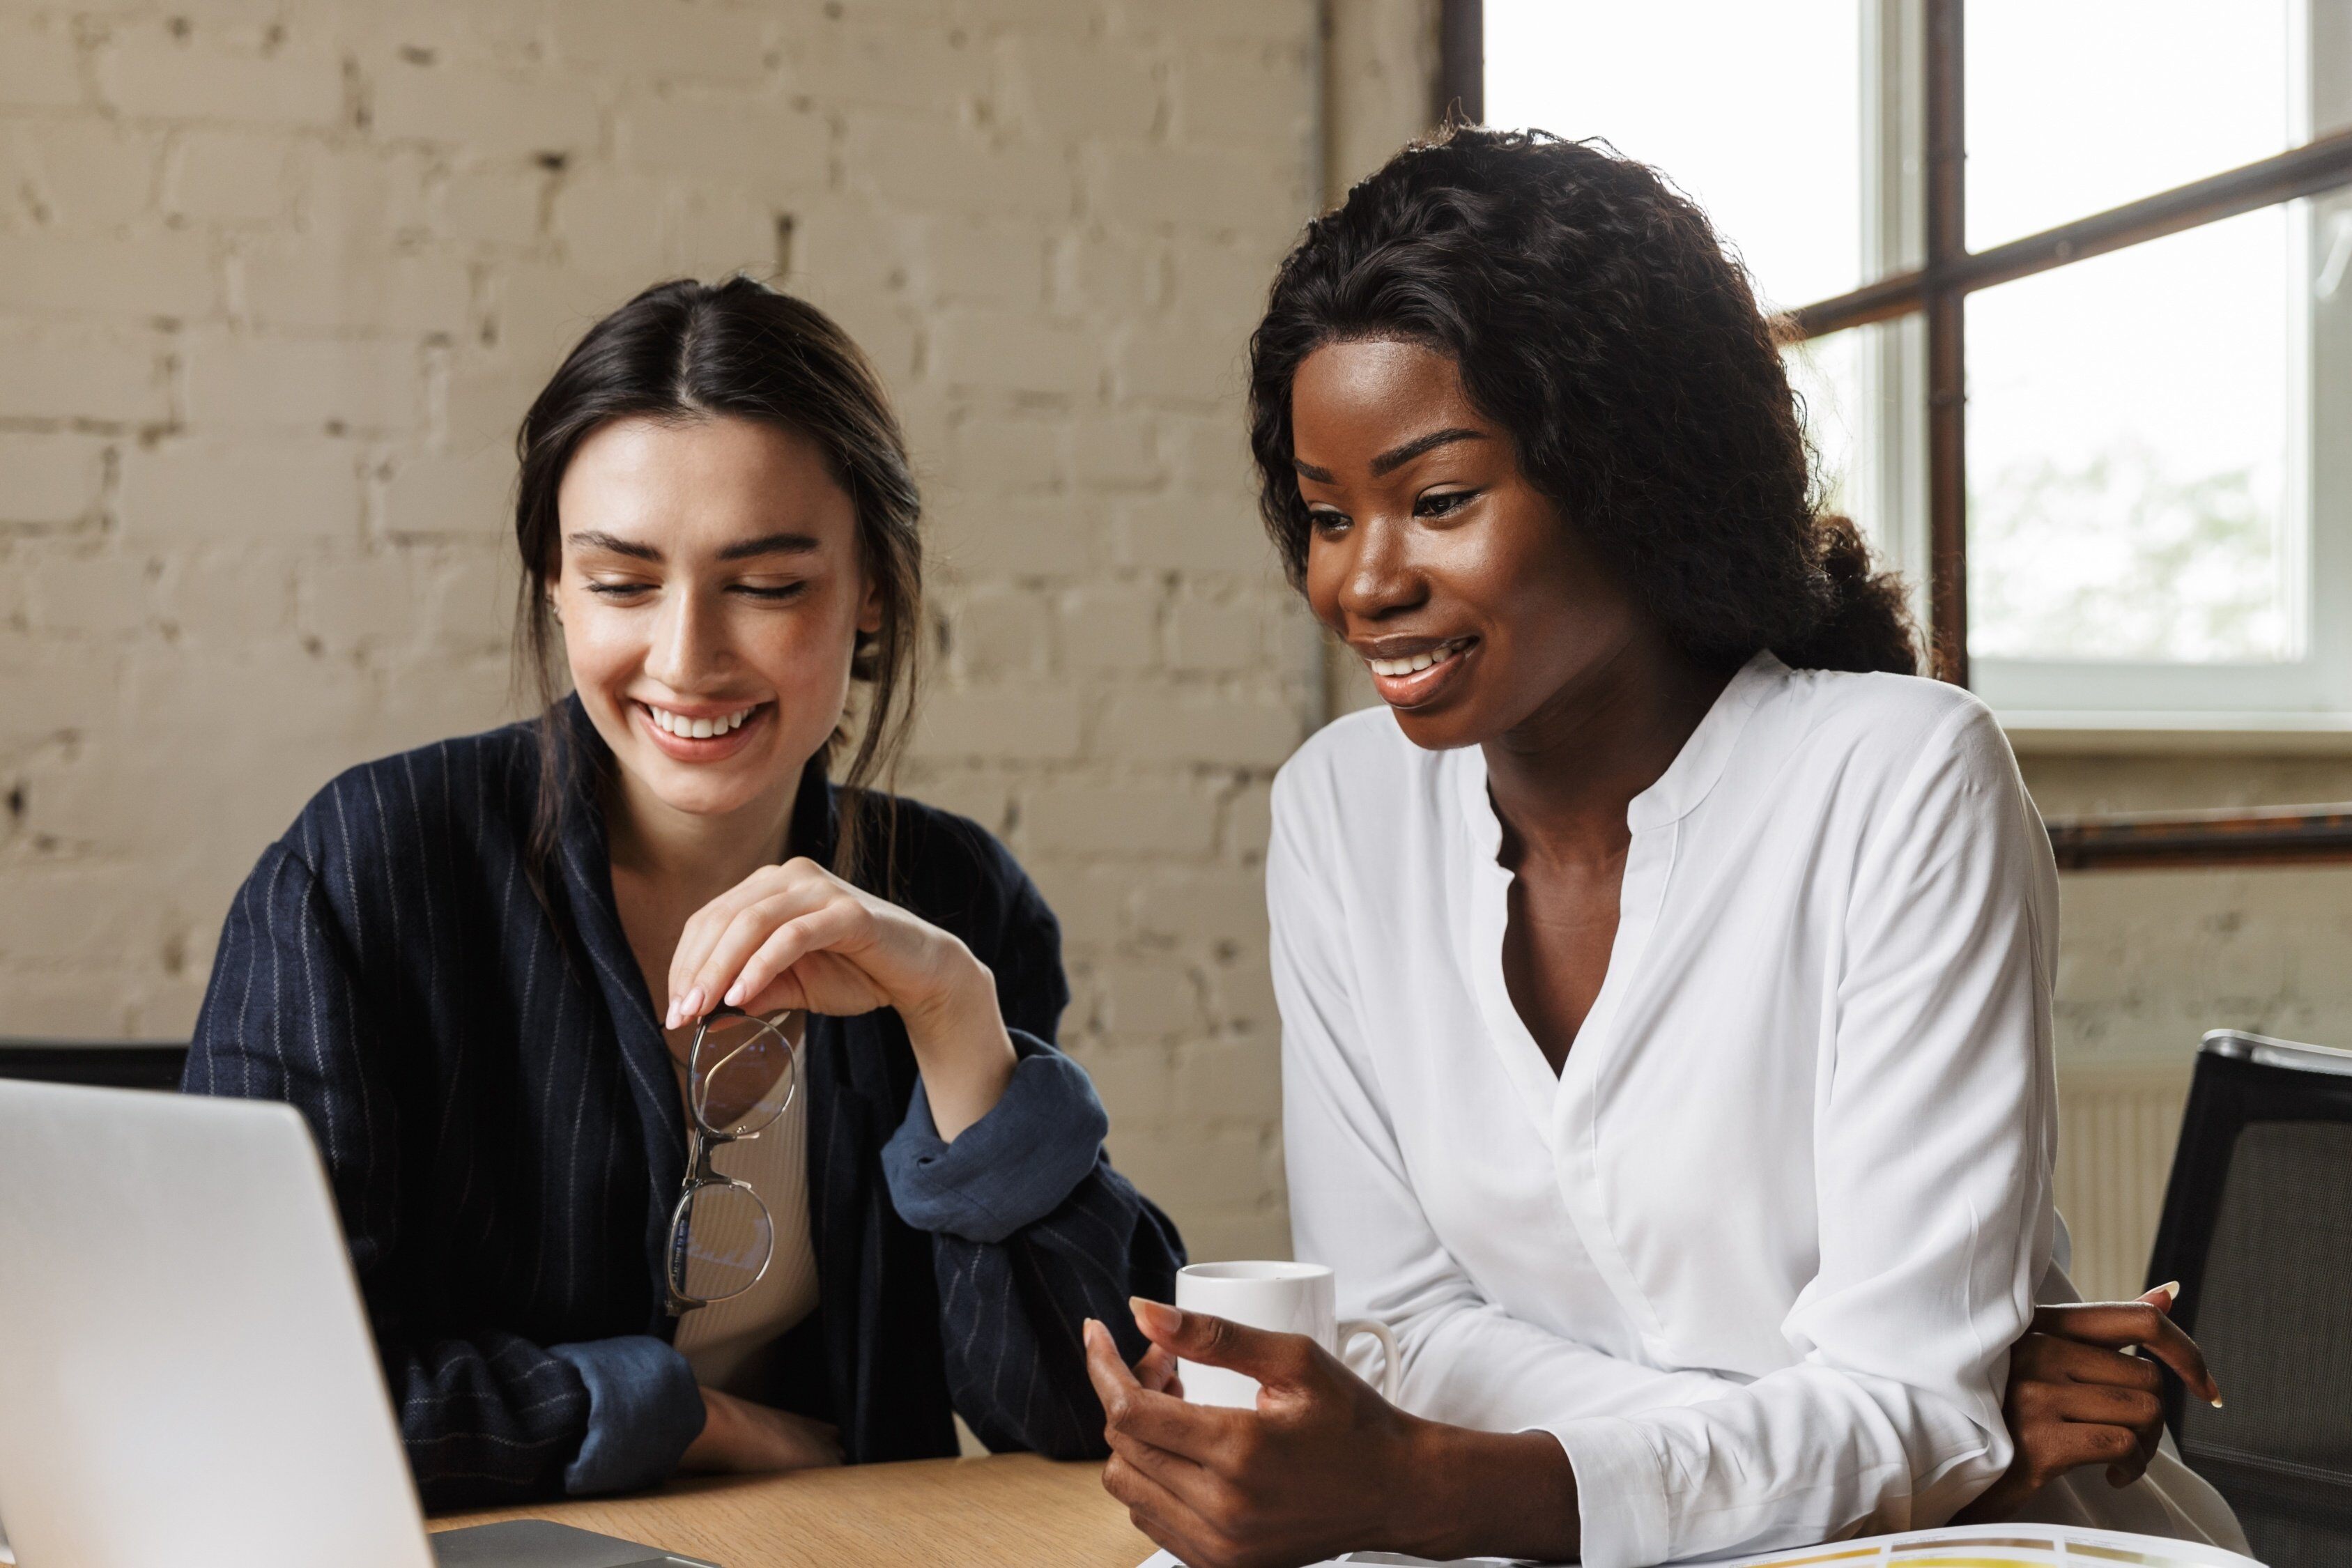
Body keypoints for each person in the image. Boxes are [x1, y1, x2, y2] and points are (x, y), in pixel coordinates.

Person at [1082, 129, 2245, 1568]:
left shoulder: (1898, 782)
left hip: (1976, 1552)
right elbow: (1400, 1327)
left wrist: (1430, 1485)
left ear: (1626, 475)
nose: (1364, 580)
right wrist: (1850, 1427)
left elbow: (1892, 1418)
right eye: (1326, 517)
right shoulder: (1339, 813)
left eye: (1436, 500)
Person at [183, 277, 1184, 1509]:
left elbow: (1089, 1408)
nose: (686, 656)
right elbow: (247, 1378)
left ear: (872, 587)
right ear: (553, 581)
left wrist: (959, 1026)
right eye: (620, 582)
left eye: (766, 586)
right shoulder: (368, 871)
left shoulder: (957, 897)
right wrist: (683, 1417)